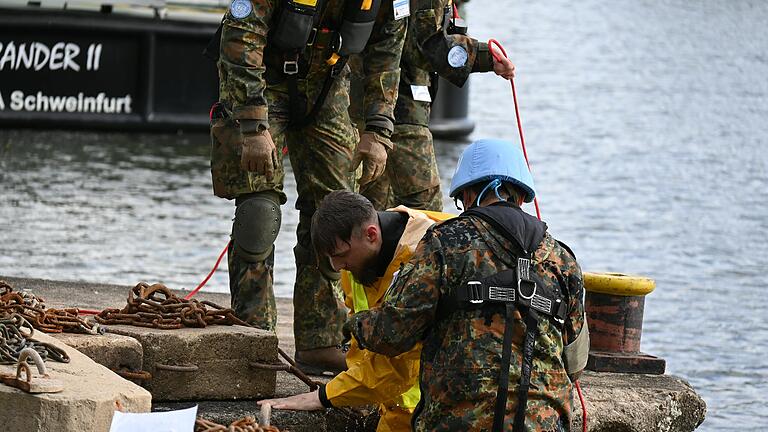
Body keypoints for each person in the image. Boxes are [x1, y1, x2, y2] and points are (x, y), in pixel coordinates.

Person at [208, 0, 406, 372]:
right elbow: (241, 35)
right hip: (262, 83)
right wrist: (252, 122)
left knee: (336, 212)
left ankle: (320, 339)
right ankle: (254, 338)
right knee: (258, 213)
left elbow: (387, 51)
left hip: (328, 84)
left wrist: (378, 130)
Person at [344, 139, 590, 431]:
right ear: (522, 197)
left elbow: (393, 332)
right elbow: (575, 361)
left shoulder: (443, 243)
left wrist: (352, 325)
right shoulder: (564, 260)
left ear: (470, 193)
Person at [258, 190, 453, 431]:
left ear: (371, 235)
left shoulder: (423, 261)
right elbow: (362, 346)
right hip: (399, 409)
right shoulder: (361, 255)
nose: (338, 266)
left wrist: (325, 396)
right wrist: (353, 392)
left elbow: (397, 369)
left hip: (444, 409)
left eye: (341, 255)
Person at [356, 0, 517, 211]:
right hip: (400, 108)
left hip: (368, 103)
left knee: (374, 205)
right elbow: (425, 45)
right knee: (425, 208)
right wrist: (485, 57)